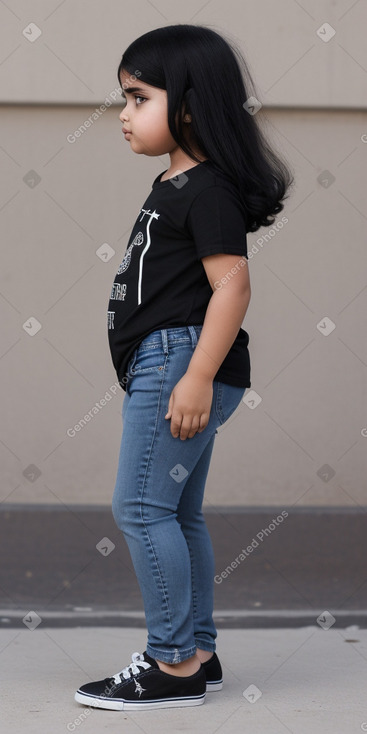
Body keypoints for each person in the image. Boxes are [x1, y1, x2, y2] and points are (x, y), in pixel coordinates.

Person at [74, 23, 294, 712]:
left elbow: (232, 285)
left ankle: (171, 664)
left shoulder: (205, 190)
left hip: (178, 360)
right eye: (122, 99)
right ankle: (197, 649)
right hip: (170, 358)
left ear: (191, 104)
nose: (123, 115)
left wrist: (195, 376)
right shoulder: (178, 182)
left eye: (138, 98)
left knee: (139, 508)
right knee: (177, 512)